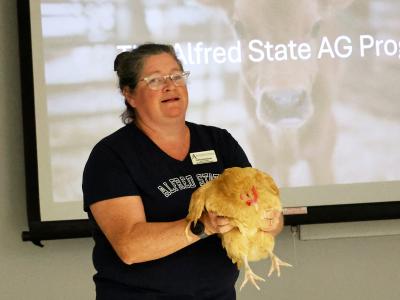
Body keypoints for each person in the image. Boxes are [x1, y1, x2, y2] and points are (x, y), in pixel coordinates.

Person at [82, 43, 283, 300]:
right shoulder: (111, 156)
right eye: (154, 80)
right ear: (129, 95)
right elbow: (129, 246)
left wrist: (269, 221)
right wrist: (202, 226)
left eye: (176, 76)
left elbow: (262, 209)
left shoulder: (219, 142)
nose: (170, 85)